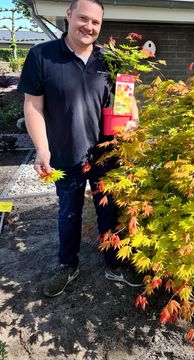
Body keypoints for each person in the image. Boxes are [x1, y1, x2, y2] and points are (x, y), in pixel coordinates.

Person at [18, 0, 140, 297]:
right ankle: (67, 265)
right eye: (83, 19)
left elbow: (127, 104)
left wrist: (133, 121)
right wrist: (42, 150)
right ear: (68, 16)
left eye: (95, 22)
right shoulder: (42, 56)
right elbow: (33, 106)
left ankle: (114, 263)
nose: (89, 27)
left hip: (106, 154)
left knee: (110, 211)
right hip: (65, 153)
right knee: (68, 212)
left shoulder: (110, 60)